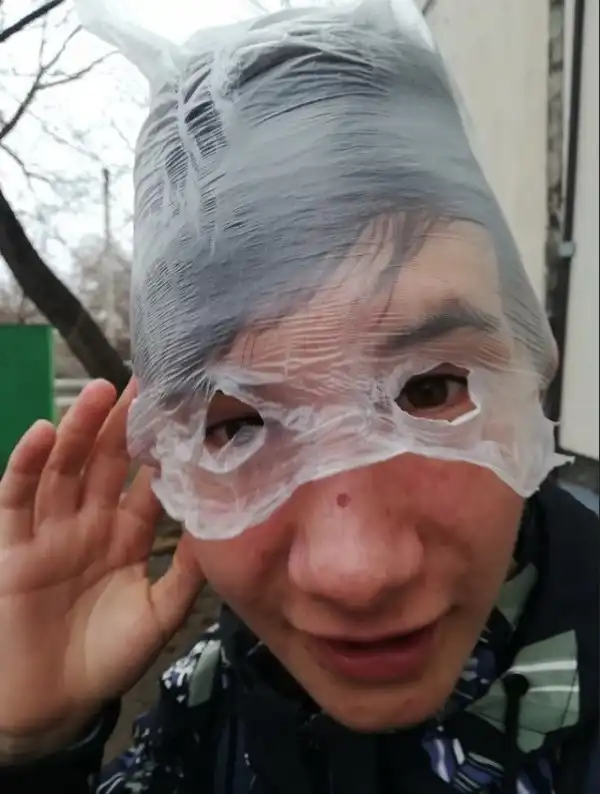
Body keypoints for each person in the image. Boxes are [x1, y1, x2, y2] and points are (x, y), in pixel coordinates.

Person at [0, 1, 598, 792]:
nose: (358, 573)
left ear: (530, 365)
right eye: (239, 427)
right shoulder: (211, 703)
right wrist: (37, 748)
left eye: (429, 390)